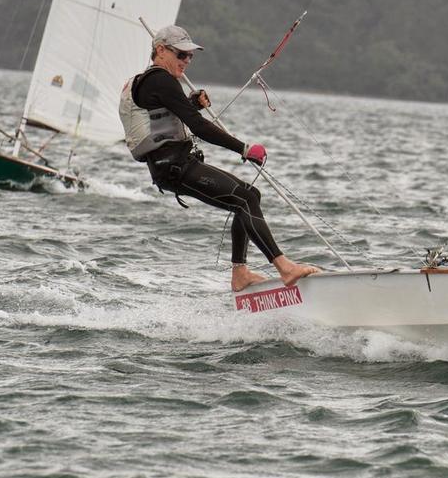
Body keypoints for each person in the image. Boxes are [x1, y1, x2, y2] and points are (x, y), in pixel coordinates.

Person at [118, 25, 319, 292]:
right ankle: (284, 268)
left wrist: (192, 104)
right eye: (181, 55)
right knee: (245, 198)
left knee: (250, 196)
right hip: (175, 167)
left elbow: (164, 119)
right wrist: (244, 149)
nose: (187, 61)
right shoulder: (160, 80)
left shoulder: (151, 81)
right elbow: (198, 127)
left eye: (190, 56)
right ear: (161, 50)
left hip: (172, 166)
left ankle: (241, 274)